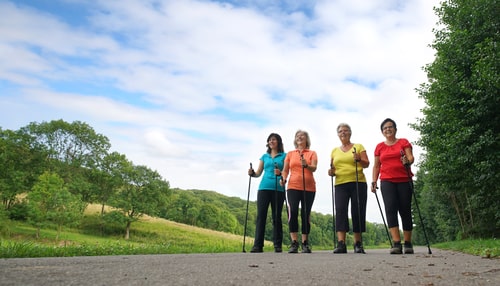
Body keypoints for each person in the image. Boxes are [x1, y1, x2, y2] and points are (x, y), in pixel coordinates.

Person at [371, 118, 415, 254]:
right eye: (385, 128)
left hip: (404, 179)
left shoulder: (403, 142)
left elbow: (411, 158)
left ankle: (407, 243)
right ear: (382, 132)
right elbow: (377, 165)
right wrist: (374, 181)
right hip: (387, 180)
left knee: (405, 209)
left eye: (390, 127)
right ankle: (396, 243)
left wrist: (407, 161)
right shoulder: (380, 147)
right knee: (390, 209)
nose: (388, 129)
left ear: (395, 129)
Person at [328, 123, 369, 254]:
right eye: (340, 131)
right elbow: (333, 167)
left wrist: (359, 159)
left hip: (358, 181)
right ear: (338, 134)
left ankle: (358, 243)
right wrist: (331, 172)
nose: (343, 133)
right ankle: (341, 243)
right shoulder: (334, 151)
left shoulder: (358, 146)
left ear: (350, 133)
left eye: (345, 131)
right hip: (340, 183)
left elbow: (366, 163)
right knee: (340, 211)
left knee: (357, 210)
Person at [280, 130, 318, 253]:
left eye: (302, 136)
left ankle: (305, 243)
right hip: (293, 186)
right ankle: (294, 242)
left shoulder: (312, 153)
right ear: (295, 140)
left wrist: (306, 165)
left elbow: (314, 168)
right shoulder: (290, 154)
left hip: (309, 187)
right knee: (293, 212)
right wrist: (283, 178)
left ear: (307, 139)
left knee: (305, 214)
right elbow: (285, 170)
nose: (300, 137)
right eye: (297, 136)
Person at [248, 133, 286, 253]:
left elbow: (285, 173)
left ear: (278, 142)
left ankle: (277, 245)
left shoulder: (284, 156)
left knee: (276, 217)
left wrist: (280, 173)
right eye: (269, 140)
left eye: (273, 139)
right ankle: (258, 245)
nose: (271, 141)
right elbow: (258, 173)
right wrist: (252, 173)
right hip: (264, 188)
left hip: (278, 189)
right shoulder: (264, 156)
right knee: (261, 216)